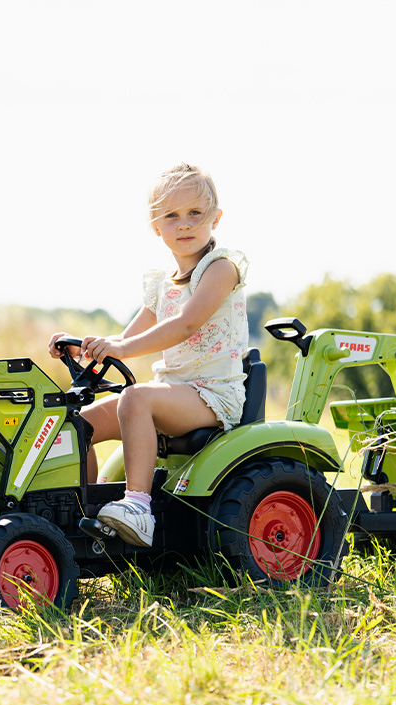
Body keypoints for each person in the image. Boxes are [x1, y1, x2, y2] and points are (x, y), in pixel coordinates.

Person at [48, 163, 248, 547]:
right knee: (76, 425)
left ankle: (138, 507)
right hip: (174, 391)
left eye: (195, 213)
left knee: (135, 397)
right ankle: (86, 516)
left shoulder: (221, 268)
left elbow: (186, 324)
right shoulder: (161, 284)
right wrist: (85, 348)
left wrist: (121, 347)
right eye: (171, 216)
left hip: (212, 394)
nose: (184, 224)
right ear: (156, 226)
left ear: (216, 218)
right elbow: (128, 337)